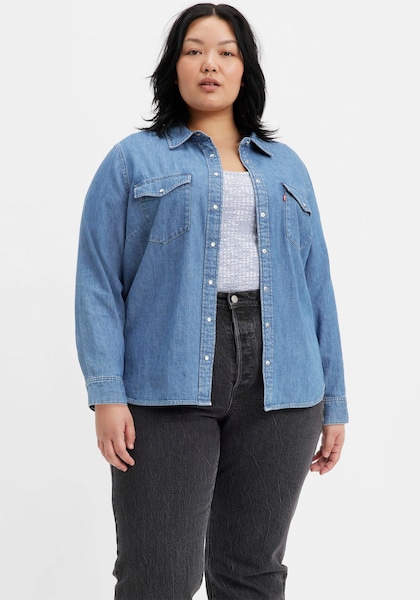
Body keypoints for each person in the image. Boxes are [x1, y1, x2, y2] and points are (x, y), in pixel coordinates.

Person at [75, 3, 348, 599]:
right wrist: (107, 392)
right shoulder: (132, 159)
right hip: (167, 379)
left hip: (285, 384)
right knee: (159, 577)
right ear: (172, 67)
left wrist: (335, 401)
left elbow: (317, 285)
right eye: (194, 50)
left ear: (245, 70)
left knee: (252, 573)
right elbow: (97, 280)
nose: (210, 64)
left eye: (226, 52)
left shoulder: (288, 167)